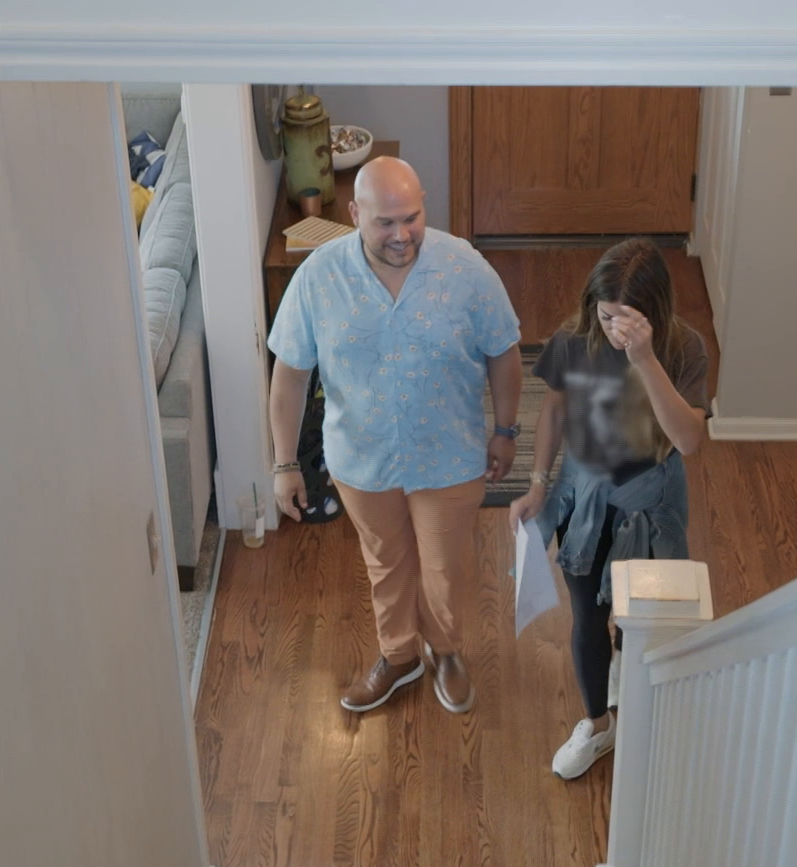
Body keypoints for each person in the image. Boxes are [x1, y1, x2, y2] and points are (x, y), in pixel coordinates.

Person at [267, 157, 523, 715]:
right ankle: (399, 656)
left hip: (450, 456)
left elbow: (504, 352)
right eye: (385, 222)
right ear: (354, 213)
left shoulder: (467, 269)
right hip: (361, 458)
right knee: (385, 563)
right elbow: (289, 375)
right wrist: (285, 464)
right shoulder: (317, 277)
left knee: (444, 566)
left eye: (412, 217)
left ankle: (446, 650)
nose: (402, 235)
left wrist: (506, 431)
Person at [507, 239, 709, 780]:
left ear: (654, 312)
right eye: (605, 314)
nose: (614, 328)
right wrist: (536, 485)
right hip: (585, 498)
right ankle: (598, 724)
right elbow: (554, 411)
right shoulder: (574, 339)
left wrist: (645, 360)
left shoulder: (684, 348)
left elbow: (688, 440)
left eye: (627, 319)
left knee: (636, 613)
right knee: (587, 615)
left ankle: (627, 674)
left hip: (651, 501)